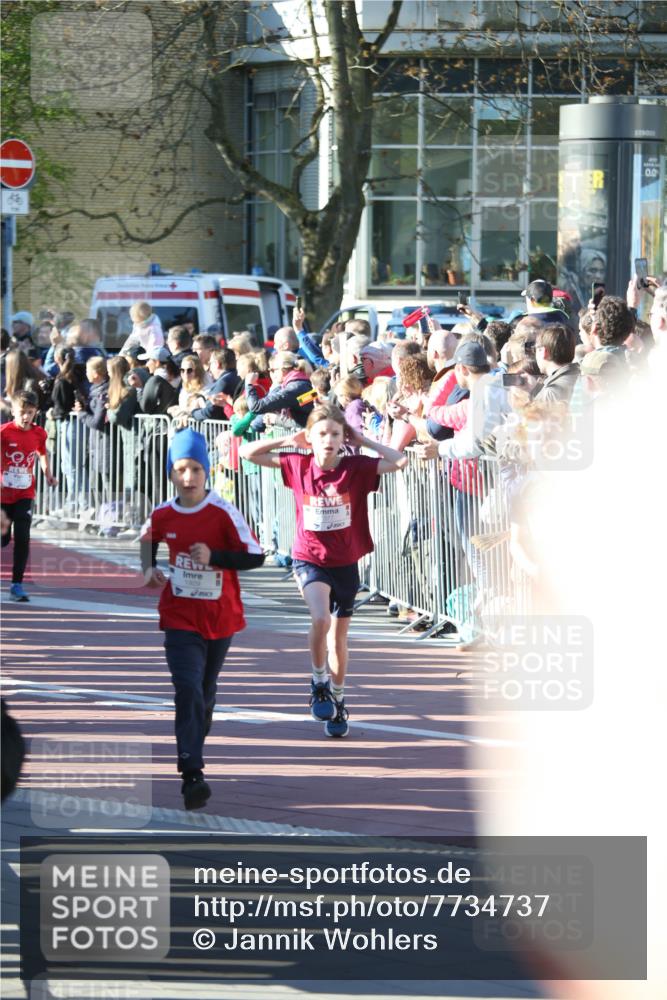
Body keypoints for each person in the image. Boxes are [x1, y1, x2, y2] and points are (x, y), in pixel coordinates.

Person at [239, 403, 408, 738]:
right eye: (321, 434)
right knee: (320, 618)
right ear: (310, 439)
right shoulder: (297, 463)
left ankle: (339, 699)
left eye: (335, 433)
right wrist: (288, 439)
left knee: (339, 640)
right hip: (309, 557)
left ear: (343, 437)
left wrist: (365, 441)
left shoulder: (356, 467)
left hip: (345, 561)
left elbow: (400, 461)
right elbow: (246, 452)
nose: (329, 440)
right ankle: (318, 681)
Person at [139, 428, 265, 809]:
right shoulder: (163, 512)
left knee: (205, 692)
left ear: (207, 471)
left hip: (220, 615)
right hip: (179, 613)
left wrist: (215, 557)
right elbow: (147, 538)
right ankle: (192, 772)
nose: (188, 477)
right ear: (171, 474)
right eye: (180, 469)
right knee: (188, 688)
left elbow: (255, 556)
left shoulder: (223, 510)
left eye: (195, 468)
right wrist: (149, 570)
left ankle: (196, 739)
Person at [1, 390, 58, 602]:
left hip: (25, 493)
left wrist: (48, 475)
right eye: (22, 412)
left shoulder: (39, 433)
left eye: (30, 412)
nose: (26, 417)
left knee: (23, 537)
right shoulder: (4, 432)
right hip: (3, 496)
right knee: (3, 538)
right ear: (13, 411)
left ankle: (17, 584)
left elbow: (42, 453)